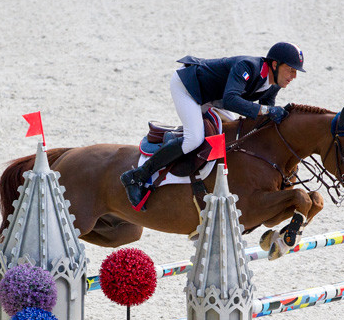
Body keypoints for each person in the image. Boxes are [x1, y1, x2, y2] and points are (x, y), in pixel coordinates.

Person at [121, 42, 305, 210]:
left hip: (213, 98)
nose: (294, 76)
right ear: (275, 64)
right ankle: (137, 176)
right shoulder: (248, 66)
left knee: (233, 132)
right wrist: (267, 111)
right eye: (291, 70)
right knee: (193, 139)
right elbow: (232, 99)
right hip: (189, 88)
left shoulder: (273, 83)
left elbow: (264, 113)